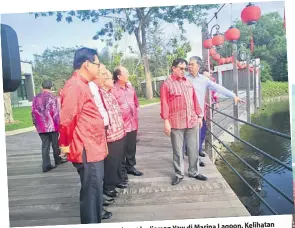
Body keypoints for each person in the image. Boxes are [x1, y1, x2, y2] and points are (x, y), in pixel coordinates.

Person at [58, 47, 111, 224]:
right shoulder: (75, 86)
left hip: (93, 146)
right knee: (91, 194)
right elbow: (67, 120)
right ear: (86, 64)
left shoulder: (83, 84)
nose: (99, 67)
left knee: (94, 193)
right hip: (87, 148)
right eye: (97, 64)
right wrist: (64, 144)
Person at [184, 56, 242, 166]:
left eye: (192, 64)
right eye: (189, 64)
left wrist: (233, 95)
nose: (189, 66)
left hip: (197, 115)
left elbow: (218, 88)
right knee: (184, 139)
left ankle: (195, 161)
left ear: (198, 66)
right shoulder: (184, 78)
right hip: (184, 114)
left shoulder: (203, 80)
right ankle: (183, 160)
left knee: (196, 138)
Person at [160, 58, 207, 186]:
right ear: (173, 68)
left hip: (192, 121)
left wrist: (199, 116)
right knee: (178, 150)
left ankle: (194, 171)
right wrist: (166, 121)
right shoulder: (167, 84)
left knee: (194, 148)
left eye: (185, 69)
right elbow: (164, 103)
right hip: (176, 122)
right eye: (180, 68)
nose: (183, 71)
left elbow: (195, 100)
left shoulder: (188, 82)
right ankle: (179, 174)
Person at [112, 66, 143, 184]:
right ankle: (122, 172)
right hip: (121, 125)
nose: (128, 74)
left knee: (131, 147)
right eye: (125, 72)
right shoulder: (113, 90)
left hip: (133, 122)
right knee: (121, 150)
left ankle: (131, 167)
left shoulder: (130, 88)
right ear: (119, 76)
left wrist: (136, 108)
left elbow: (136, 101)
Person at [31, 80, 66, 173]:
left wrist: (35, 124)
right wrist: (59, 124)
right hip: (52, 125)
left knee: (45, 145)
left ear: (42, 87)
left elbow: (33, 112)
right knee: (55, 144)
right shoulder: (54, 98)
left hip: (41, 125)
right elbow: (56, 112)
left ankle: (46, 165)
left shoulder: (35, 98)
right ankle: (58, 160)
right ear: (51, 87)